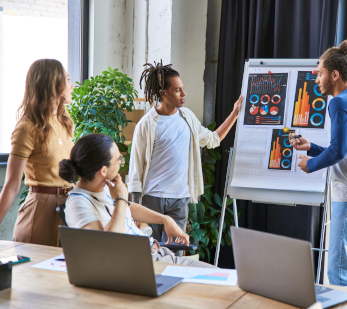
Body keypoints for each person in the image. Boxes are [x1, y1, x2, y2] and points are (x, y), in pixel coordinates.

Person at [290, 40, 347, 286]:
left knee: (340, 273)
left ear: (335, 74)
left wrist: (311, 164)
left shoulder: (338, 102)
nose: (316, 79)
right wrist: (311, 147)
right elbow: (344, 150)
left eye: (319, 73)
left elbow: (339, 151)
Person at [128, 62, 242, 247]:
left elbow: (213, 139)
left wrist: (235, 113)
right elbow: (135, 170)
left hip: (180, 199)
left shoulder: (187, 118)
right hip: (153, 199)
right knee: (151, 253)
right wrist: (135, 211)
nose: (184, 94)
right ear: (164, 93)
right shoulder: (146, 124)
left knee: (176, 253)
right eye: (178, 90)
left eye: (183, 89)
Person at [60, 133, 215, 268]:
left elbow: (128, 208)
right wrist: (120, 198)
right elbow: (104, 246)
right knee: (218, 282)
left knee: (220, 276)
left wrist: (165, 219)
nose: (121, 163)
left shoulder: (104, 187)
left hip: (157, 254)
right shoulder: (78, 204)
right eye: (118, 160)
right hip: (140, 265)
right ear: (103, 170)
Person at [0, 59, 75, 246]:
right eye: (67, 79)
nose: (72, 85)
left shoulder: (64, 122)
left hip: (69, 208)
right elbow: (11, 184)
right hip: (40, 211)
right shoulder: (27, 126)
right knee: (35, 274)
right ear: (56, 85)